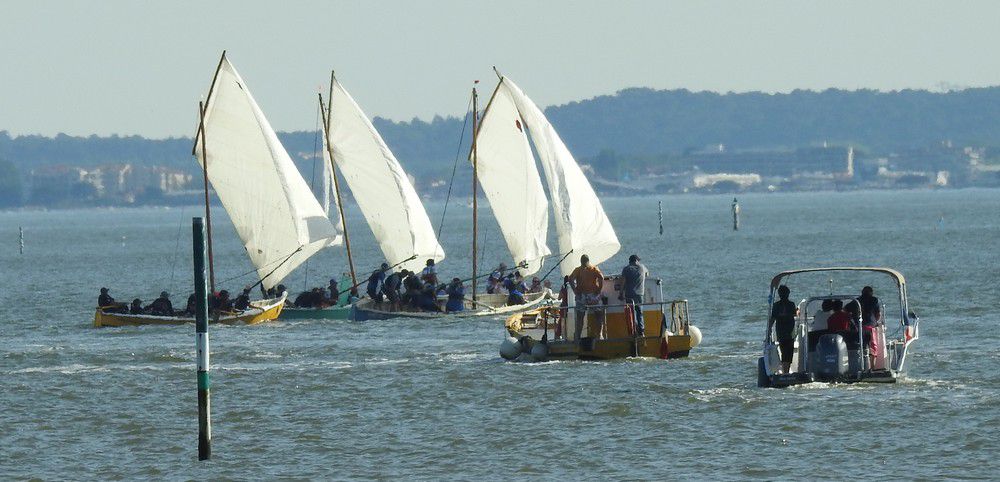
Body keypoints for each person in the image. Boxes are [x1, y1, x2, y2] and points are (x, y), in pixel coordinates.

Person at [569, 254, 605, 341]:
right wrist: (599, 289)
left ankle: (577, 336)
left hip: (582, 295)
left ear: (581, 261)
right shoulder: (594, 268)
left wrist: (575, 290)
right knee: (599, 315)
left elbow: (570, 279)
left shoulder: (578, 270)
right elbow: (601, 277)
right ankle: (599, 335)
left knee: (580, 316)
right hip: (593, 295)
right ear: (588, 261)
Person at [768, 285, 798, 374]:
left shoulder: (776, 305)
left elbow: (772, 318)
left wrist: (769, 329)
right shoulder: (791, 304)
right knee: (789, 352)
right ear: (788, 294)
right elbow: (795, 314)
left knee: (784, 351)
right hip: (790, 332)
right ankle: (786, 372)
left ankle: (785, 372)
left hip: (781, 332)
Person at [620, 254, 649, 336]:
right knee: (640, 313)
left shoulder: (626, 269)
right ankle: (641, 331)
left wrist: (621, 293)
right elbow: (647, 274)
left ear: (630, 261)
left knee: (630, 313)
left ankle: (632, 331)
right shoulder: (642, 267)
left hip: (629, 294)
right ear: (636, 260)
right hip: (639, 294)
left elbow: (622, 282)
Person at [858, 286, 882, 369]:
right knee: (873, 348)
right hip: (871, 327)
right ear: (871, 293)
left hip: (861, 328)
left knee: (862, 347)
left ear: (862, 292)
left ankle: (863, 367)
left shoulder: (857, 301)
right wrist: (876, 321)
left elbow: (845, 310)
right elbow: (878, 314)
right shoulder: (874, 300)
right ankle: (872, 367)